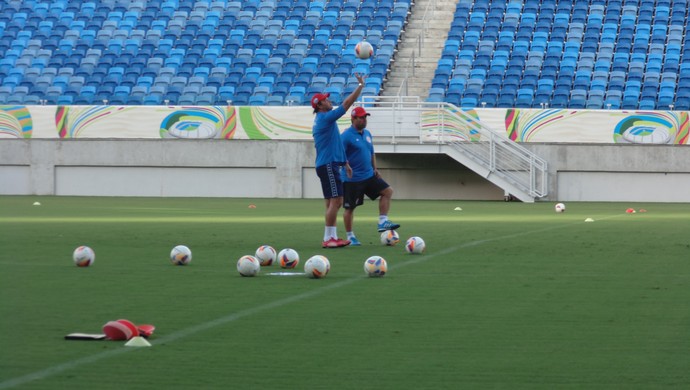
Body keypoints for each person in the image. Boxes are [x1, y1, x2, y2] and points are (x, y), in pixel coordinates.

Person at [311, 73, 366, 248]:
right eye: (325, 100)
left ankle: (331, 237)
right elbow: (346, 105)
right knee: (337, 201)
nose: (329, 101)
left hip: (326, 164)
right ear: (319, 105)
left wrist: (345, 163)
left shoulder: (323, 120)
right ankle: (329, 239)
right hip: (328, 165)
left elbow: (333, 144)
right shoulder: (325, 118)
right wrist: (360, 86)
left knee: (330, 202)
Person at [341, 106, 400, 246]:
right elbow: (340, 154)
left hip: (369, 175)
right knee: (350, 208)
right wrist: (346, 166)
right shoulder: (345, 136)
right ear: (353, 119)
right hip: (352, 179)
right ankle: (350, 236)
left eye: (365, 117)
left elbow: (371, 152)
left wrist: (375, 168)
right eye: (361, 117)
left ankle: (382, 222)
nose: (364, 120)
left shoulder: (367, 133)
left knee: (387, 191)